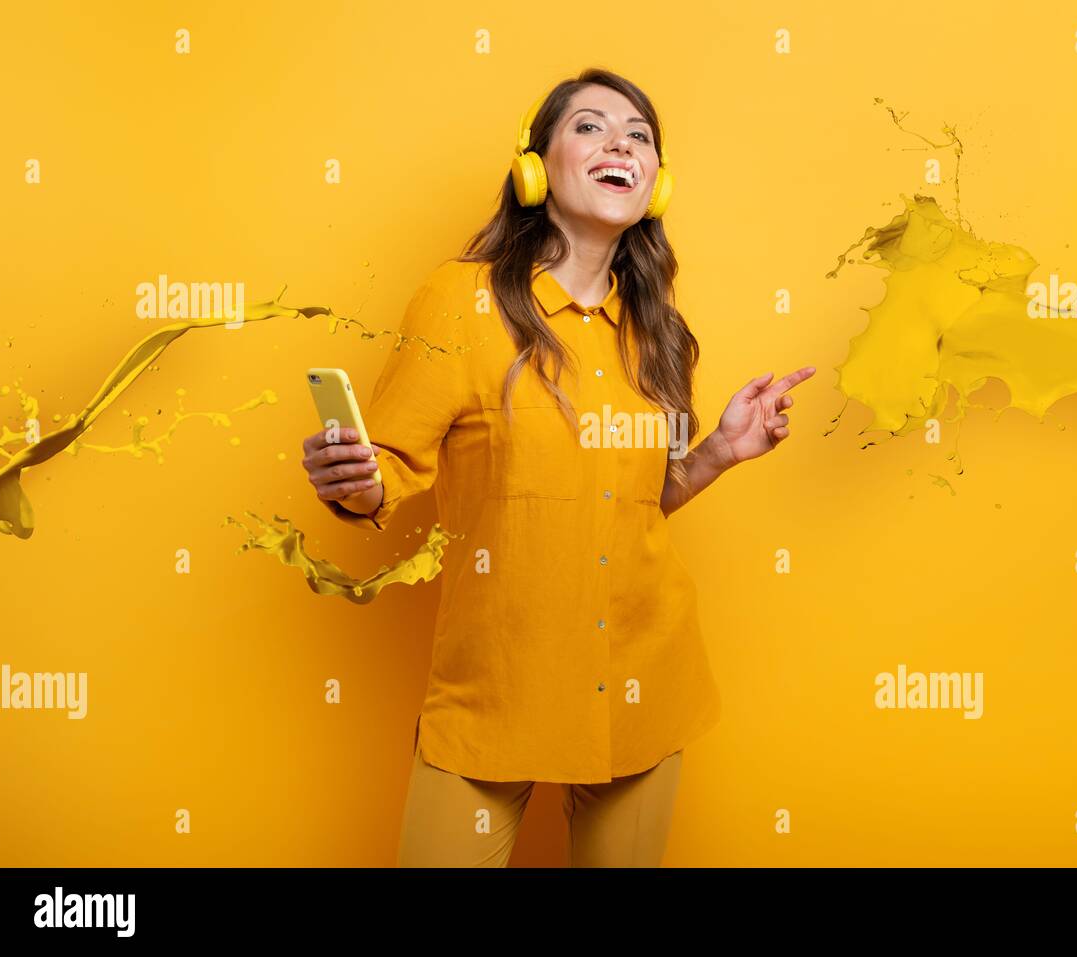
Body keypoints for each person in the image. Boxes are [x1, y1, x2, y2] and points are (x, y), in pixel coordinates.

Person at [300, 68, 815, 867]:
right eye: (590, 127)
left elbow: (627, 503)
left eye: (638, 135)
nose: (620, 143)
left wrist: (718, 450)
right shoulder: (458, 301)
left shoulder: (658, 332)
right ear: (535, 168)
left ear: (658, 182)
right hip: (498, 685)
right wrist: (355, 480)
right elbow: (389, 470)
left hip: (645, 682)